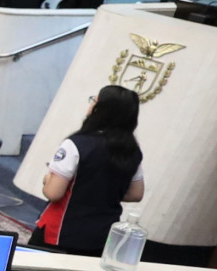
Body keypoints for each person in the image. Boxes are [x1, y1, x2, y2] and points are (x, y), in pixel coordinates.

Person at [31, 85, 144, 255]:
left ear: (101, 109)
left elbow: (54, 193)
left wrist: (47, 181)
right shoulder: (132, 150)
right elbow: (136, 194)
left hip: (62, 233)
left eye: (94, 101)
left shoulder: (76, 144)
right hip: (101, 236)